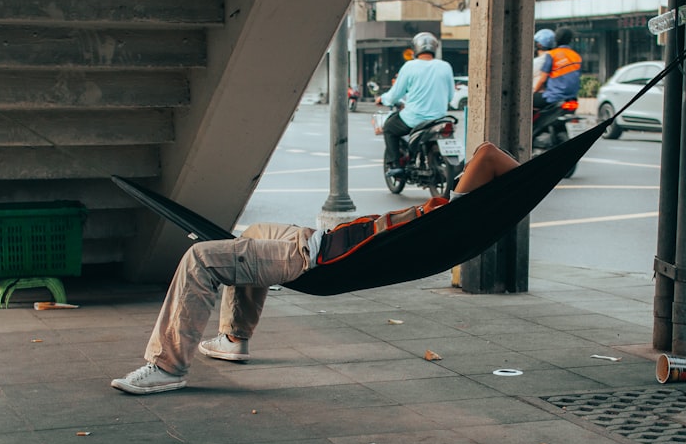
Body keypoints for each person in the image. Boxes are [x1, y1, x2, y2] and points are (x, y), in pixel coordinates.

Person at [111, 141, 519, 395]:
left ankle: (166, 366)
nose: (462, 173)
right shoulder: (451, 222)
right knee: (246, 238)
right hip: (309, 239)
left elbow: (487, 154)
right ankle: (233, 338)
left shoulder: (454, 214)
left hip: (310, 259)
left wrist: (528, 183)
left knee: (200, 257)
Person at [375, 32, 455, 172]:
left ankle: (396, 165)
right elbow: (450, 97)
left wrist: (382, 99)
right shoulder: (445, 66)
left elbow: (395, 94)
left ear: (416, 49)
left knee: (389, 128)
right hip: (440, 119)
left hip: (414, 119)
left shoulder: (409, 67)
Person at [532, 26, 582, 124]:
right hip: (572, 98)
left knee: (526, 102)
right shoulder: (576, 56)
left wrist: (534, 91)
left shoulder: (552, 55)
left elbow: (543, 79)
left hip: (553, 97)